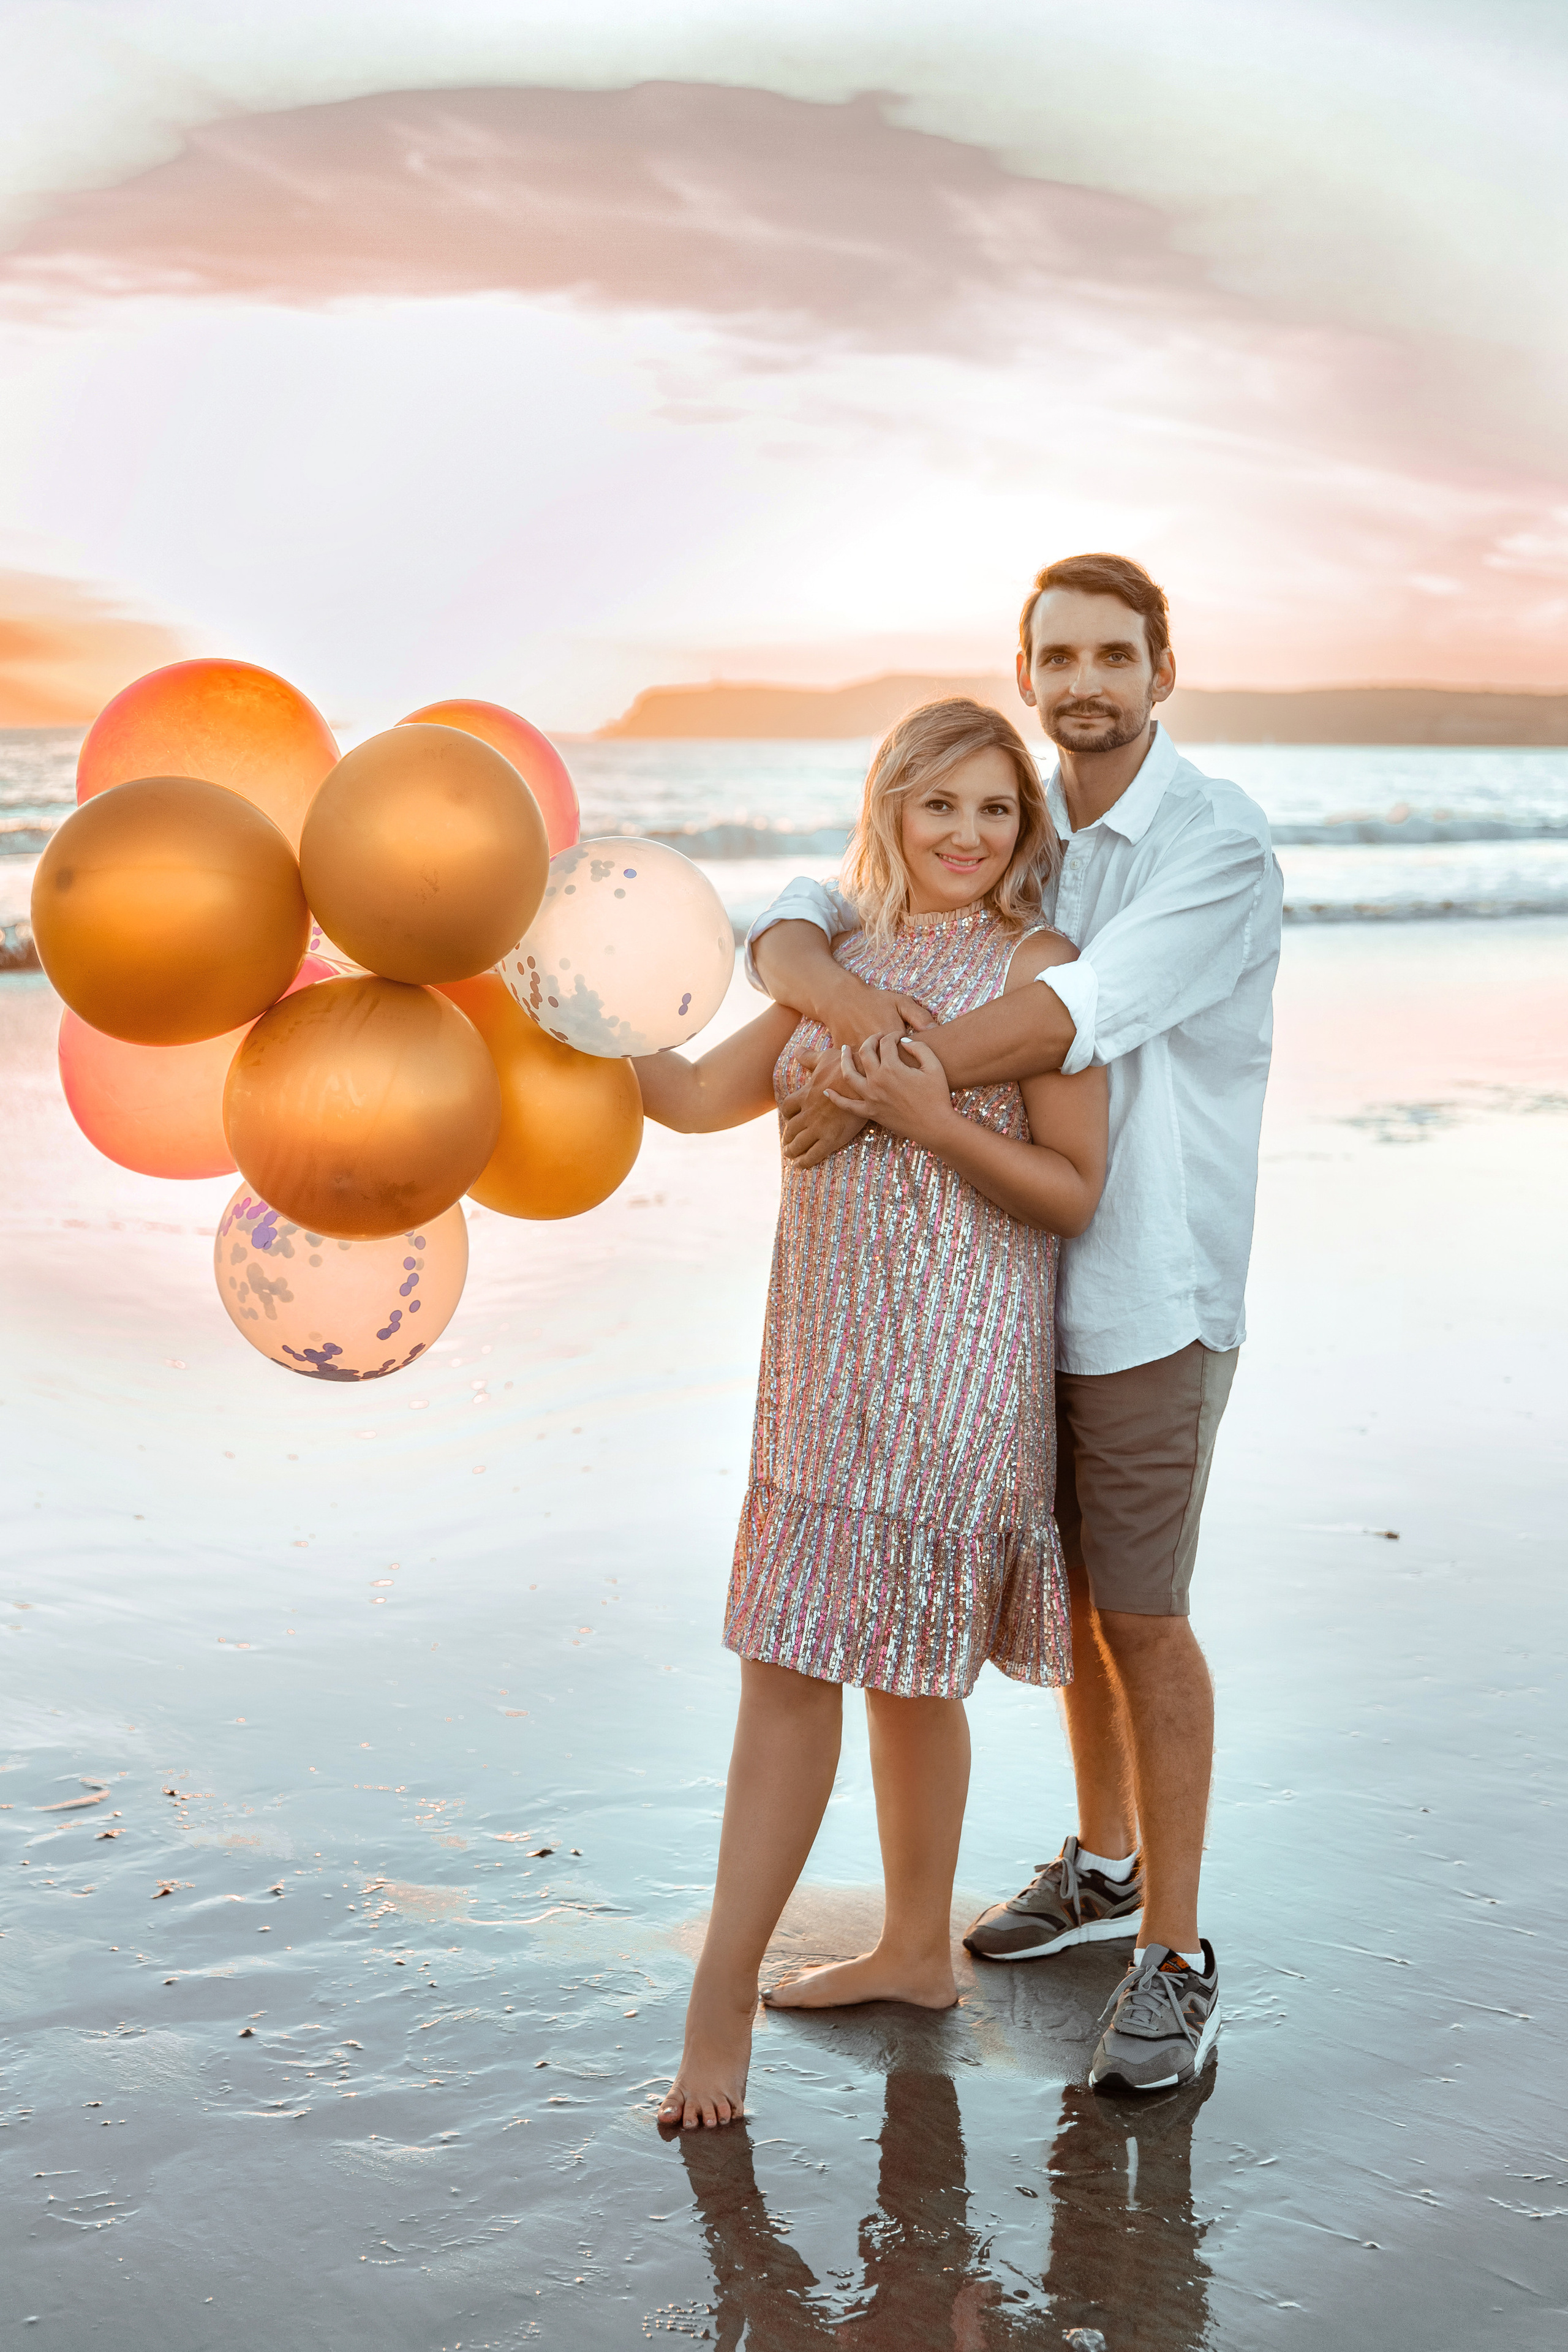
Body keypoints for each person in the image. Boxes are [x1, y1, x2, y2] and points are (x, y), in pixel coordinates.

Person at [746, 552, 1282, 2094]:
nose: (1084, 683)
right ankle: (1102, 1864)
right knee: (1070, 1622)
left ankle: (1172, 1957)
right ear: (1029, 672)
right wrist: (818, 989)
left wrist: (874, 1100)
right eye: (1057, 658)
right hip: (1006, 1304)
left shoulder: (1212, 844)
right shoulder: (1028, 834)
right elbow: (822, 902)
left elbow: (1070, 1015)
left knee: (1142, 1615)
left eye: (1114, 655)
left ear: (1163, 669)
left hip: (1147, 1295)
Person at [632, 698, 1108, 2130]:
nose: (966, 836)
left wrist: (933, 1122)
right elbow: (695, 1094)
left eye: (995, 810)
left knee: (900, 1676)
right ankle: (887, 1956)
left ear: (1024, 831)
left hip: (956, 1371)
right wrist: (574, 1013)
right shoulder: (832, 960)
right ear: (887, 812)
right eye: (937, 807)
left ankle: (789, 1987)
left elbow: (1072, 1189)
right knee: (793, 1669)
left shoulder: (1042, 968)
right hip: (821, 1368)